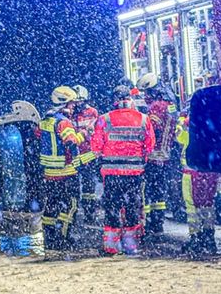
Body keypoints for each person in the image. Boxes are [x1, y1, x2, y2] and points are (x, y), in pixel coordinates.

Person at [91, 85, 155, 256]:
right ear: (130, 98)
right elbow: (150, 147)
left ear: (114, 100)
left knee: (112, 207)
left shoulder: (104, 119)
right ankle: (130, 245)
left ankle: (112, 247)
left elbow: (95, 147)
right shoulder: (143, 119)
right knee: (132, 207)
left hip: (111, 174)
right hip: (134, 174)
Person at [36, 86, 84, 250]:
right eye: (71, 104)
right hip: (66, 172)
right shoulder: (63, 123)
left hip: (49, 173)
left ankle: (49, 239)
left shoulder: (45, 120)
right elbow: (71, 142)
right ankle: (63, 237)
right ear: (63, 104)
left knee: (51, 206)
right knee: (70, 206)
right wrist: (84, 134)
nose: (73, 107)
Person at [136, 73, 179, 237]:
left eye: (147, 92)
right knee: (159, 190)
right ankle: (158, 222)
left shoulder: (157, 107)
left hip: (153, 154)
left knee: (148, 190)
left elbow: (151, 128)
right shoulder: (170, 104)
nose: (145, 96)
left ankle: (147, 223)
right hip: (166, 154)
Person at [178, 111, 218, 256]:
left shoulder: (189, 128)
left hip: (191, 174)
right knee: (208, 205)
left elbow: (179, 137)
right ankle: (209, 237)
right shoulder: (213, 128)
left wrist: (182, 120)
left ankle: (196, 237)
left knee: (192, 207)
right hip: (209, 173)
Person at [72, 85, 100, 227]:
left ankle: (90, 212)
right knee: (75, 186)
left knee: (89, 185)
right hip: (75, 154)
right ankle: (74, 212)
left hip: (88, 153)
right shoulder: (70, 113)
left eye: (79, 101)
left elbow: (94, 131)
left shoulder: (92, 112)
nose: (77, 104)